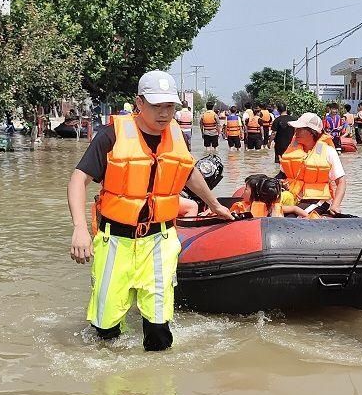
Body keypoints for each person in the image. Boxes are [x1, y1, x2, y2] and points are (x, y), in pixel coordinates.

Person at [68, 70, 233, 352]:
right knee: (105, 328)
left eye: (170, 106)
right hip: (115, 241)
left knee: (158, 327)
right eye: (157, 106)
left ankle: (159, 387)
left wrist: (215, 205)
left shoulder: (177, 137)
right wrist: (80, 228)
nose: (164, 113)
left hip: (159, 240)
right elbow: (78, 180)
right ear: (139, 103)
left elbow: (188, 172)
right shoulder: (111, 136)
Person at [280, 112, 347, 213]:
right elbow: (282, 175)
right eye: (296, 129)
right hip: (293, 196)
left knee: (292, 217)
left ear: (312, 132)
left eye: (300, 129)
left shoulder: (328, 151)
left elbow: (341, 182)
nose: (296, 132)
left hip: (317, 199)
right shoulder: (292, 151)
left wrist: (335, 205)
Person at [231, 174, 308, 218]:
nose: (243, 192)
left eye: (246, 189)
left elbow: (294, 208)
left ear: (255, 193)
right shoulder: (241, 207)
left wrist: (307, 218)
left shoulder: (274, 206)